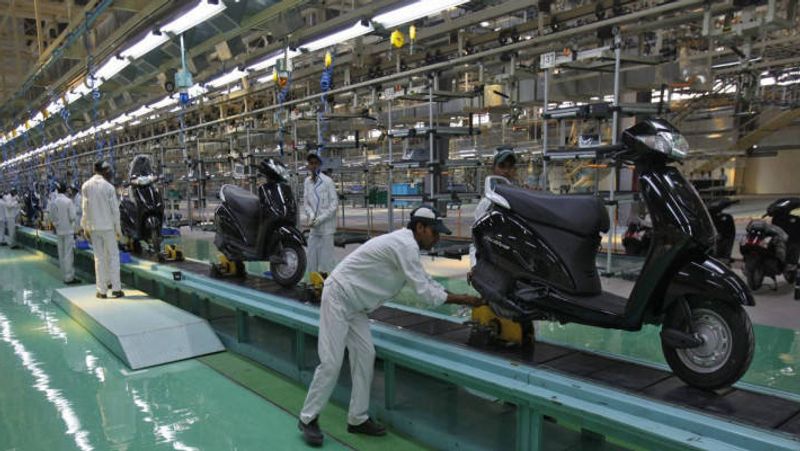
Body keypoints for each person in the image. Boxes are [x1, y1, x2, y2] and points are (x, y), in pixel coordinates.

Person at [298, 206, 484, 446]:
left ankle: (357, 418)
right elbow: (425, 292)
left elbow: (426, 282)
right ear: (420, 227)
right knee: (331, 362)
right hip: (338, 297)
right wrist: (466, 300)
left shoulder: (407, 246)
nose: (437, 238)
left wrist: (464, 299)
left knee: (365, 355)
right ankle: (308, 418)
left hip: (356, 307)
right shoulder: (404, 245)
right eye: (434, 232)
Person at [469, 149, 518, 268]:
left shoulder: (521, 199)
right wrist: (475, 266)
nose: (506, 171)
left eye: (510, 167)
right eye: (502, 166)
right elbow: (476, 239)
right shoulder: (487, 203)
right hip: (495, 262)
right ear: (493, 168)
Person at [82, 161, 124, 299]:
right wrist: (118, 229)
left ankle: (101, 291)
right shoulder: (109, 187)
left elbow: (85, 209)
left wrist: (85, 227)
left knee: (99, 258)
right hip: (108, 228)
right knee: (113, 256)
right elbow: (115, 210)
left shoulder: (86, 186)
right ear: (104, 171)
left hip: (94, 228)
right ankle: (116, 289)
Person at [303, 153, 338, 275]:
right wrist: (311, 216)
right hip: (314, 227)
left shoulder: (328, 181)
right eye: (310, 163)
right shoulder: (307, 182)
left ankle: (327, 281)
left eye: (315, 163)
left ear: (320, 165)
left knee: (326, 258)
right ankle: (313, 279)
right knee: (312, 255)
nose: (313, 166)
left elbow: (334, 204)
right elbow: (306, 203)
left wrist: (321, 218)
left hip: (327, 227)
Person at [49, 182, 80, 284]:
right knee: (68, 255)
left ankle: (64, 275)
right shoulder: (68, 201)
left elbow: (52, 217)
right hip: (68, 231)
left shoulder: (54, 202)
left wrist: (57, 224)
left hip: (59, 231)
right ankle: (69, 277)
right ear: (65, 190)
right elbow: (72, 217)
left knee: (61, 253)